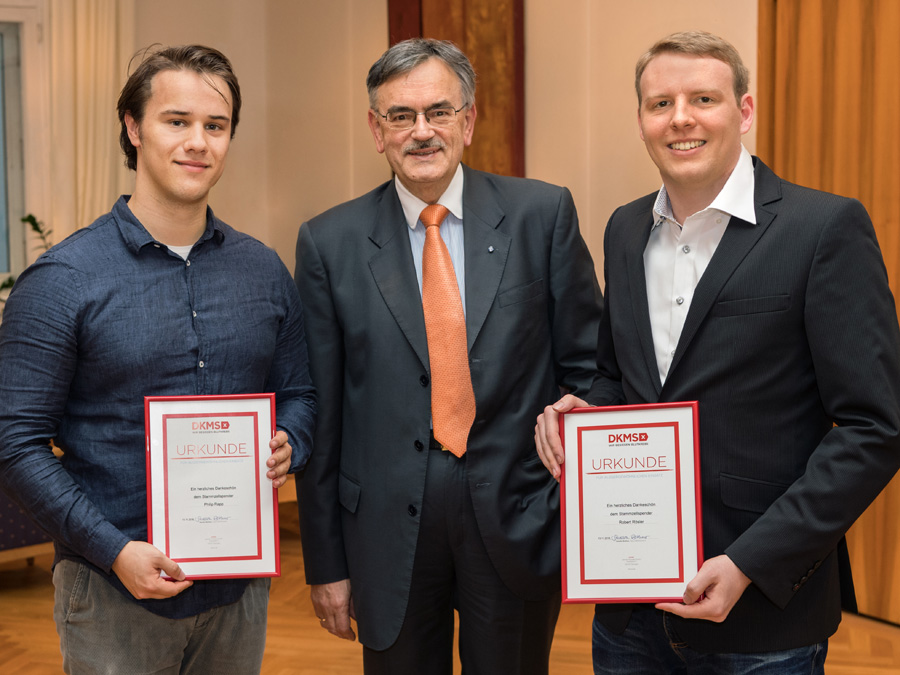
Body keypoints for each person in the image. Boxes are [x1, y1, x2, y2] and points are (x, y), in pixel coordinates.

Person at [535, 30, 900, 674]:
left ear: (744, 110)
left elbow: (875, 428)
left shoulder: (824, 230)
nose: (680, 118)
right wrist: (584, 414)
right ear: (642, 120)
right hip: (629, 606)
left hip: (761, 613)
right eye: (660, 103)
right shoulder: (623, 230)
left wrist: (750, 563)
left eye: (703, 98)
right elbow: (621, 377)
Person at [0, 45, 316, 674]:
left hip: (239, 586)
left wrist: (291, 441)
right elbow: (15, 441)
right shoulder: (62, 279)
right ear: (133, 127)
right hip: (112, 591)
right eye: (177, 121)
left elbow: (301, 394)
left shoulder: (264, 271)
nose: (198, 142)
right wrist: (113, 551)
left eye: (216, 126)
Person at [294, 38, 602, 674]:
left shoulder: (542, 215)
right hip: (384, 536)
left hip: (517, 520)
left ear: (469, 119)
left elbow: (589, 368)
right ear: (376, 131)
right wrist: (325, 563)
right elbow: (322, 415)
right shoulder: (329, 242)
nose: (422, 131)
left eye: (439, 110)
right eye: (401, 116)